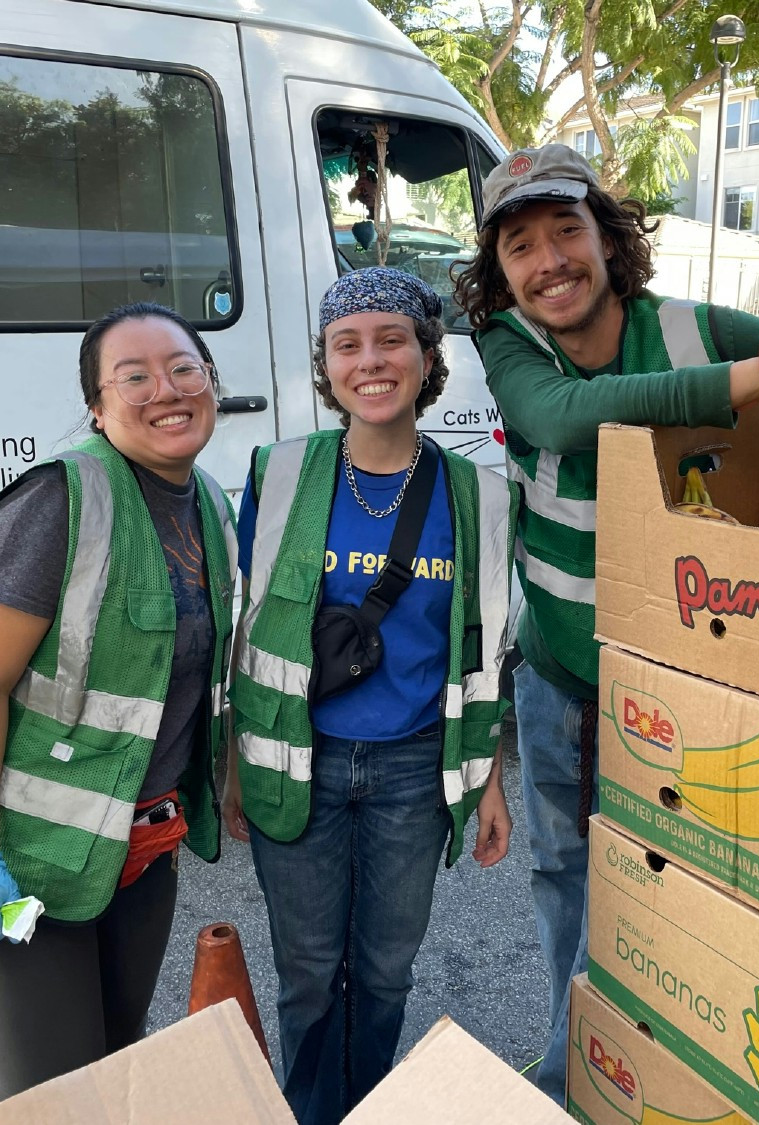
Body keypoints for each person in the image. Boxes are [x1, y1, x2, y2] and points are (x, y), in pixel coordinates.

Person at [452, 143, 759, 1104]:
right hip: (563, 678)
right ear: (498, 274)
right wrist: (755, 380)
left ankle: (633, 1069)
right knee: (567, 878)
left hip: (687, 684)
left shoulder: (691, 327)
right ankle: (575, 1057)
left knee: (685, 885)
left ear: (607, 239)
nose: (548, 261)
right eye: (520, 246)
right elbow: (565, 418)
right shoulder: (511, 348)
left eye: (566, 231)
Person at [0, 302, 237, 1100]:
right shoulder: (57, 500)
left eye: (184, 368)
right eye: (133, 377)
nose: (166, 389)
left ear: (212, 384)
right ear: (96, 405)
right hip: (22, 850)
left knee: (116, 1067)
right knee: (60, 1098)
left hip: (138, 847)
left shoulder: (212, 506)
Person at [222, 267, 516, 1125]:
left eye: (393, 339)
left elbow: (486, 650)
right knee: (308, 969)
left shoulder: (480, 497)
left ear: (428, 358)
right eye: (346, 343)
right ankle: (311, 1114)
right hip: (296, 755)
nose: (370, 360)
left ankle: (367, 1107)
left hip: (413, 770)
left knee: (386, 970)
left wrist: (490, 776)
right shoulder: (278, 475)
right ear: (326, 363)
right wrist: (234, 761)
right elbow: (247, 628)